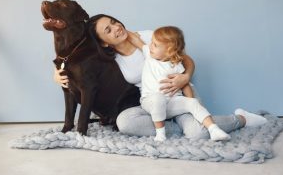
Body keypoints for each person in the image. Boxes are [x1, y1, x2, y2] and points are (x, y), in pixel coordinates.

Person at [54, 14, 267, 140]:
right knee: (125, 122)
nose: (116, 28)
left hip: (178, 95)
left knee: (197, 134)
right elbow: (74, 59)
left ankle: (241, 118)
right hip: (150, 102)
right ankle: (179, 128)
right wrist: (58, 74)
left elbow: (187, 60)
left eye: (113, 22)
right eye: (108, 30)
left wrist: (185, 77)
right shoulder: (110, 61)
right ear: (104, 43)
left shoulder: (148, 38)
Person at [128, 26, 231, 141]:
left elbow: (185, 84)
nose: (150, 45)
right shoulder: (149, 55)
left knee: (192, 103)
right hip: (150, 102)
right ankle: (160, 134)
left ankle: (214, 129)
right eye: (152, 42)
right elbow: (135, 40)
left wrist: (191, 101)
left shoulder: (176, 66)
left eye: (155, 45)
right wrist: (118, 31)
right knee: (158, 98)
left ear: (169, 51)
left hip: (172, 104)